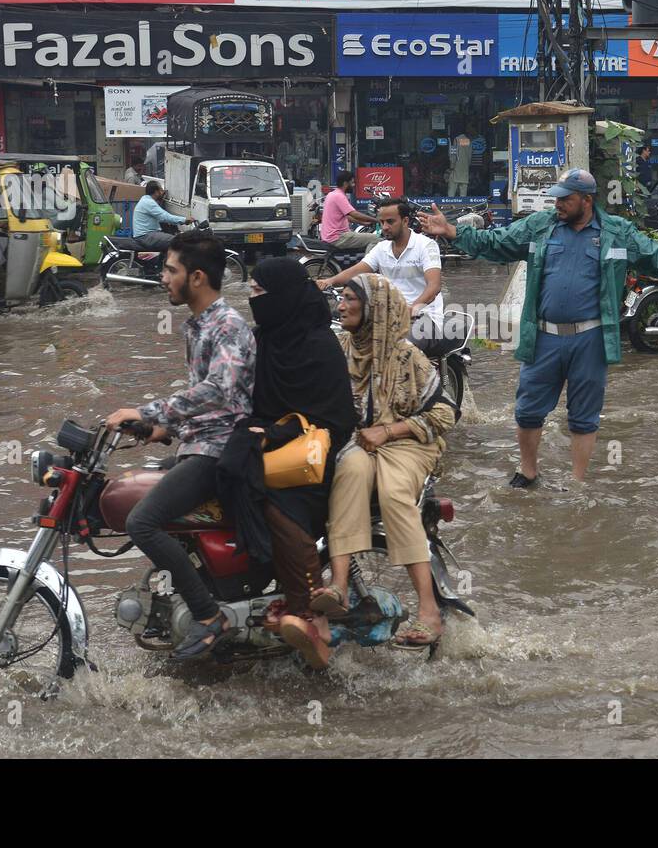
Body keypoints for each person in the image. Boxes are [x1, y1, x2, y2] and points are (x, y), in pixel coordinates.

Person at [419, 167, 658, 486]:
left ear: (586, 200)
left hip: (590, 339)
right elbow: (496, 243)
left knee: (583, 418)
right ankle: (528, 473)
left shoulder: (618, 233)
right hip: (544, 337)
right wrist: (451, 231)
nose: (557, 204)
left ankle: (577, 483)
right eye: (556, 198)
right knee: (528, 410)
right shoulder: (540, 227)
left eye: (565, 199)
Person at [105, 230, 254, 661]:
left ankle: (209, 617)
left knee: (141, 522)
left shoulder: (227, 324)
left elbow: (220, 391)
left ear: (197, 277)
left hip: (221, 451)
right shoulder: (199, 325)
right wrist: (160, 429)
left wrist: (150, 412)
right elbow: (204, 400)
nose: (163, 278)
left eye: (171, 270)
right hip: (199, 442)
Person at [217, 257, 357, 670]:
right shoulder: (265, 339)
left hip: (312, 453)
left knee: (272, 497)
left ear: (284, 296)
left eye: (260, 293)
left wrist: (277, 433)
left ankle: (308, 609)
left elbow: (335, 419)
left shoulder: (319, 345)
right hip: (267, 440)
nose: (254, 300)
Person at [317, 274, 457, 648]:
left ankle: (429, 612)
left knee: (395, 494)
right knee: (349, 472)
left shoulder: (408, 357)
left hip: (408, 443)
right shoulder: (339, 350)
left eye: (349, 299)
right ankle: (340, 586)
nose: (341, 306)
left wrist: (390, 431)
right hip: (360, 444)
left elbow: (446, 414)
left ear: (374, 309)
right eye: (340, 298)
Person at [318, 197, 444, 338]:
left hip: (424, 318)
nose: (384, 227)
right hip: (390, 317)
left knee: (395, 344)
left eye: (390, 222)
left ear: (405, 221)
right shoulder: (381, 248)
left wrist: (411, 309)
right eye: (382, 222)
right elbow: (356, 271)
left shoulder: (426, 245)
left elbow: (434, 286)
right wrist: (329, 281)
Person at [320, 171, 380, 249]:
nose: (354, 185)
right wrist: (376, 220)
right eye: (352, 183)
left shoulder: (331, 194)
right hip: (338, 237)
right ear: (345, 184)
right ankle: (367, 261)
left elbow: (346, 216)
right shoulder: (339, 196)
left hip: (329, 237)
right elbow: (354, 214)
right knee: (377, 239)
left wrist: (362, 222)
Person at [132, 180, 190, 252]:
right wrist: (185, 220)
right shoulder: (149, 203)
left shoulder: (146, 200)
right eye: (161, 190)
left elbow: (162, 217)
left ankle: (162, 261)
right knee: (178, 242)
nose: (163, 193)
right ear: (156, 192)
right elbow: (165, 217)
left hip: (146, 235)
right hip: (146, 236)